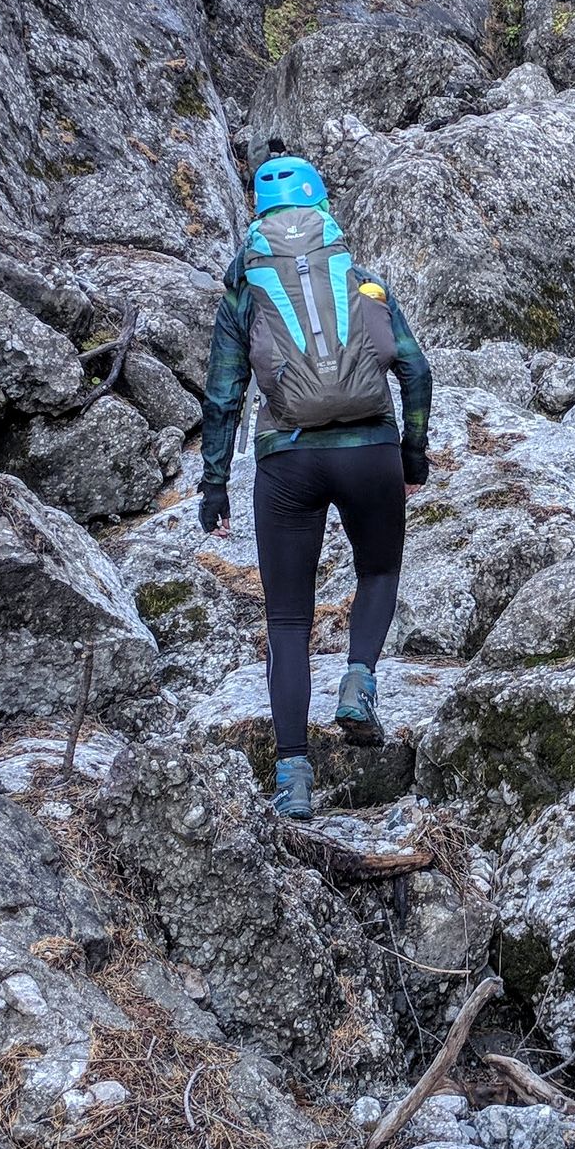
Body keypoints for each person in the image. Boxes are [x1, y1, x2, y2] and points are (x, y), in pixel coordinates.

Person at [196, 150, 431, 818]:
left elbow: (221, 396)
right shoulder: (361, 278)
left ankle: (293, 780)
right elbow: (415, 371)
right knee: (379, 572)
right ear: (324, 208)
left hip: (286, 463)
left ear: (259, 218)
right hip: (369, 451)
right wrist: (412, 456)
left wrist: (213, 487)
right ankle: (358, 681)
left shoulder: (245, 285)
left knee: (289, 620)